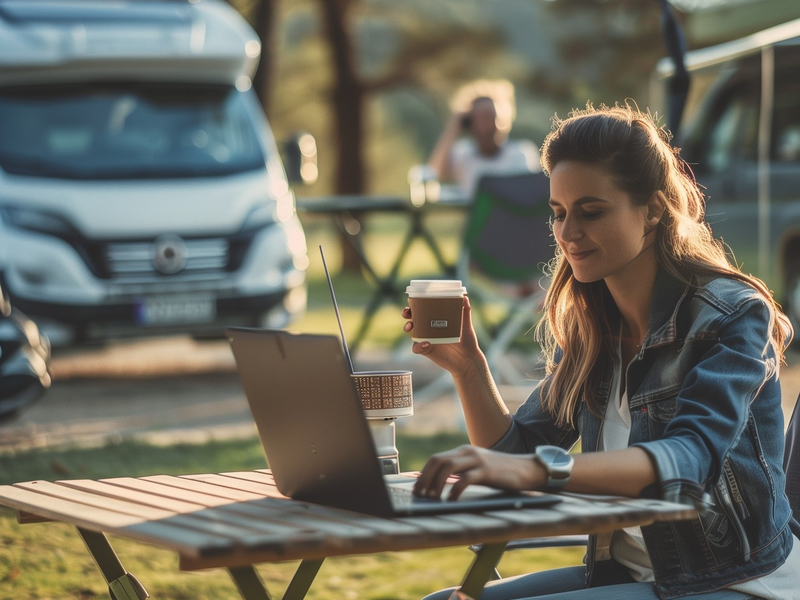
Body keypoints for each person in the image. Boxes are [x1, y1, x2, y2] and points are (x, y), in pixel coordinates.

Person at [403, 103, 800, 599]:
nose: (568, 233)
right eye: (558, 214)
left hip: (735, 583)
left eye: (591, 212)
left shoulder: (731, 316)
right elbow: (512, 457)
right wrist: (468, 368)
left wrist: (537, 471)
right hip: (629, 574)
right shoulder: (597, 328)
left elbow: (691, 458)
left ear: (652, 209)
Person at [427, 83, 540, 199]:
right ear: (470, 124)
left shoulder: (522, 153)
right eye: (483, 119)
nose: (489, 126)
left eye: (493, 117)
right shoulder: (463, 154)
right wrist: (454, 127)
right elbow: (434, 173)